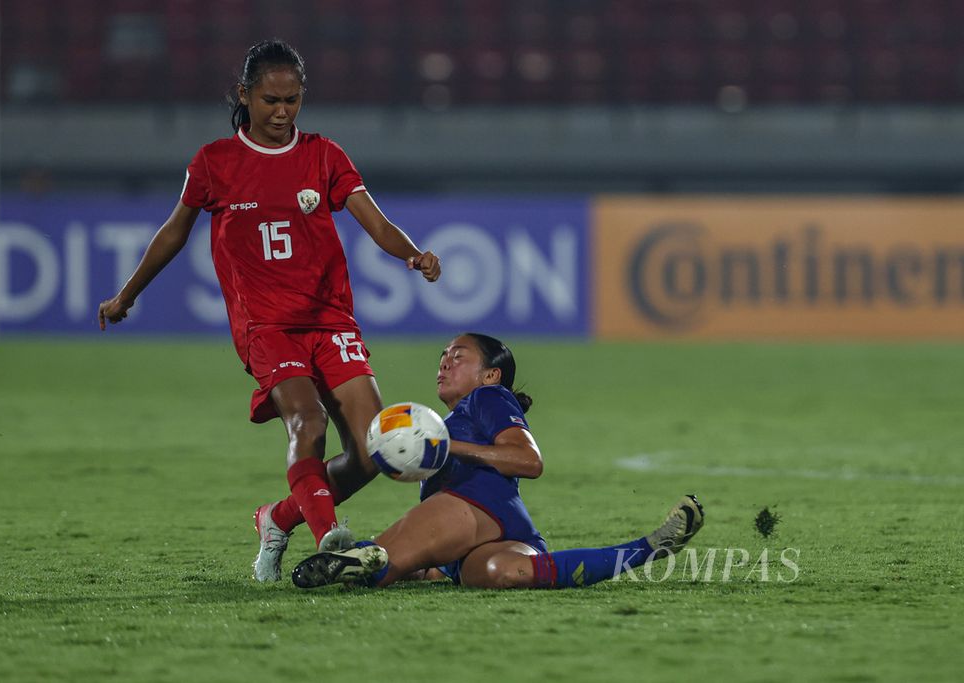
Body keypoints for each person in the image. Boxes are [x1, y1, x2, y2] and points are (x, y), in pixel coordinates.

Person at [97, 39, 441, 582]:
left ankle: (277, 519)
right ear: (245, 96)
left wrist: (413, 254)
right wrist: (127, 296)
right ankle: (331, 539)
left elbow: (374, 222)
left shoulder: (324, 155)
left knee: (373, 447)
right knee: (307, 423)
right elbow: (172, 234)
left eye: (293, 100)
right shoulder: (215, 162)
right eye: (271, 100)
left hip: (331, 320)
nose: (282, 113)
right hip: (266, 325)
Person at [290, 333, 705, 590]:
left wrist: (444, 447)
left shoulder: (487, 398)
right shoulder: (447, 422)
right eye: (442, 356)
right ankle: (650, 549)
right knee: (500, 574)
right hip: (491, 535)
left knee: (383, 564)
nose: (444, 362)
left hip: (477, 509)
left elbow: (528, 460)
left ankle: (362, 557)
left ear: (491, 375)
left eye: (459, 355)